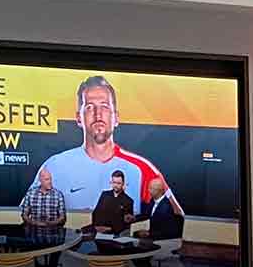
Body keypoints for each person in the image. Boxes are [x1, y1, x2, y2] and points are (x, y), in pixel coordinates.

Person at [35, 75, 178, 221]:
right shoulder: (54, 166)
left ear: (116, 118)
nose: (98, 114)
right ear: (78, 118)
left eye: (104, 106)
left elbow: (176, 220)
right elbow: (26, 212)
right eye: (89, 107)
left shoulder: (142, 169)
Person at [18, 167, 67, 267]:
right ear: (40, 180)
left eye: (50, 179)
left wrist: (53, 223)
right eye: (46, 179)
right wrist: (33, 222)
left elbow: (63, 217)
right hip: (34, 231)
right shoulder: (31, 194)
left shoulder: (58, 194)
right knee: (29, 247)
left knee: (57, 249)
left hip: (54, 232)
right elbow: (24, 215)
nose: (49, 182)